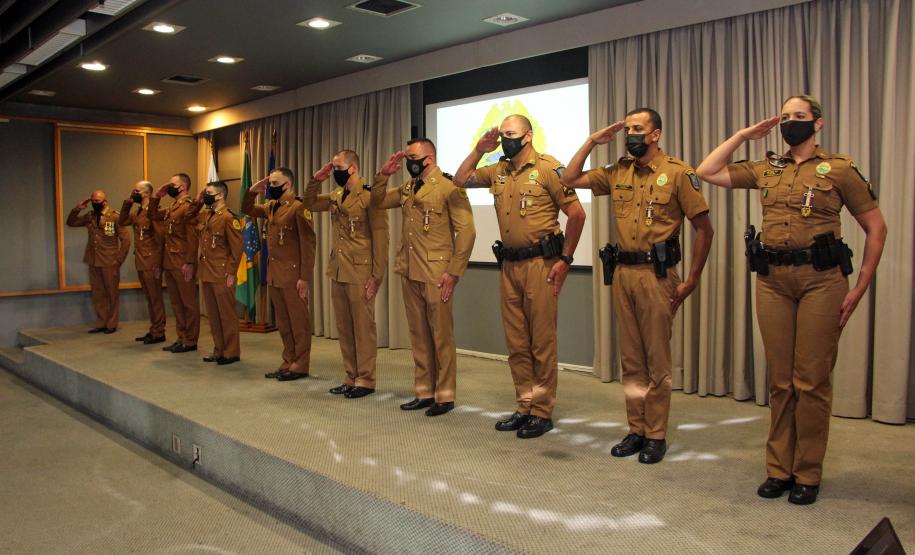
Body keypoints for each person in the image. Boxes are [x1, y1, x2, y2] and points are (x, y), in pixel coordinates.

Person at [696, 95, 887, 504]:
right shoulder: (769, 167)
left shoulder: (838, 169)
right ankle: (778, 468)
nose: (790, 123)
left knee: (811, 381)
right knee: (781, 381)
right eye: (785, 117)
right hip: (773, 281)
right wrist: (745, 135)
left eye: (799, 117)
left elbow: (876, 226)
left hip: (821, 280)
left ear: (818, 124)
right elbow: (706, 170)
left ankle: (808, 473)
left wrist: (860, 286)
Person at [560, 108, 713, 462]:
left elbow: (704, 228)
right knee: (631, 359)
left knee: (656, 358)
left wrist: (692, 279)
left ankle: (656, 433)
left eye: (638, 128)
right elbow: (569, 179)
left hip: (657, 275)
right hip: (624, 273)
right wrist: (590, 142)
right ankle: (636, 429)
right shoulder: (617, 172)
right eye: (627, 128)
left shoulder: (677, 173)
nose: (630, 134)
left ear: (655, 134)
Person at [453, 114, 586, 439]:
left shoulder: (547, 168)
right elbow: (460, 179)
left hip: (541, 264)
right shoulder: (498, 170)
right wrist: (479, 149)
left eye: (510, 134)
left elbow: (577, 214)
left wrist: (566, 260)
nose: (504, 140)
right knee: (516, 342)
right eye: (502, 135)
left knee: (541, 341)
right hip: (509, 266)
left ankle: (542, 411)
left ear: (527, 137)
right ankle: (524, 405)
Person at [371, 138, 475, 417]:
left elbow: (466, 232)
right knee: (418, 335)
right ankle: (424, 391)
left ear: (428, 158)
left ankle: (445, 395)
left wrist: (454, 272)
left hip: (437, 273)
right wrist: (383, 174)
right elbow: (377, 201)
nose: (408, 162)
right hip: (410, 269)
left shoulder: (449, 187)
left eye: (412, 157)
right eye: (406, 157)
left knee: (441, 336)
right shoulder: (407, 188)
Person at [304, 150, 388, 398]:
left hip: (361, 272)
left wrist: (376, 277)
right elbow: (309, 204)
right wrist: (315, 180)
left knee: (363, 328)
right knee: (344, 327)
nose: (333, 171)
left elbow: (381, 239)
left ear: (352, 168)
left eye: (337, 166)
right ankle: (350, 376)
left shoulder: (370, 196)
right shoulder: (336, 195)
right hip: (339, 269)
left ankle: (366, 379)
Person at [242, 167, 316, 381]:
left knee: (298, 323)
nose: (270, 187)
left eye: (275, 184)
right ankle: (288, 360)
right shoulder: (271, 207)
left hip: (293, 276)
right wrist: (253, 190)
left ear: (288, 185)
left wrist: (305, 278)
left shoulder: (298, 208)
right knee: (283, 322)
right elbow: (247, 209)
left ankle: (300, 364)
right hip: (274, 274)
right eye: (269, 183)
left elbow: (308, 245)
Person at [149, 173, 202, 354]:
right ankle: (181, 337)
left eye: (172, 184)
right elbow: (153, 215)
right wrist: (157, 196)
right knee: (176, 303)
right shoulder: (173, 207)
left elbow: (192, 237)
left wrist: (189, 262)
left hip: (182, 262)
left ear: (183, 187)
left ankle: (190, 340)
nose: (168, 186)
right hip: (169, 262)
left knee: (188, 303)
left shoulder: (188, 207)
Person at [66, 189, 130, 333]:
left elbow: (125, 240)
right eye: (93, 201)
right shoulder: (90, 216)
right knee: (98, 293)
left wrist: (118, 260)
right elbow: (71, 222)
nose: (95, 203)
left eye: (97, 201)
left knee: (111, 293)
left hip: (109, 261)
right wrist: (77, 209)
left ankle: (112, 324)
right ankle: (101, 322)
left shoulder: (114, 217)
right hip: (93, 260)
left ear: (105, 201)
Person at [197, 182, 243, 365]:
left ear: (220, 196)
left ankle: (231, 351)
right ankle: (219, 349)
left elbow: (237, 248)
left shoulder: (229, 218)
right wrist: (198, 200)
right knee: (213, 315)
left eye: (209, 193)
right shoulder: (207, 215)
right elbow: (190, 217)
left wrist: (231, 272)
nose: (205, 195)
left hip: (222, 272)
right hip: (207, 271)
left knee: (226, 314)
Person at [119, 181, 167, 344]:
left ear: (146, 193)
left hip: (151, 260)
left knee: (155, 297)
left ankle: (159, 331)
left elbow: (160, 238)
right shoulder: (138, 212)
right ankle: (154, 329)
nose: (133, 192)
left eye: (136, 191)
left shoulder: (155, 212)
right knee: (149, 297)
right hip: (141, 259)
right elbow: (122, 221)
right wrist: (128, 203)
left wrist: (158, 263)